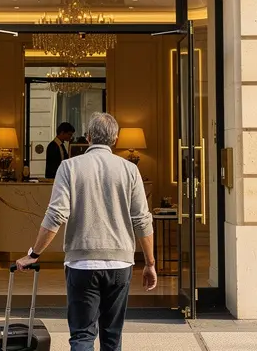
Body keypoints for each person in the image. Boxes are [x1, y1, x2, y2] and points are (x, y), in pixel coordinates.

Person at [17, 112, 156, 351]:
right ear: (116, 139)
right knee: (112, 338)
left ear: (88, 137)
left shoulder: (69, 167)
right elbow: (142, 220)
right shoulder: (130, 170)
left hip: (82, 264)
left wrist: (34, 254)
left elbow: (56, 215)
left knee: (82, 336)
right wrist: (150, 263)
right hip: (119, 264)